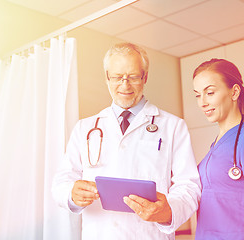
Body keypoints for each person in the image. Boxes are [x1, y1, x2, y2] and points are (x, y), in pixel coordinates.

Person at [52, 42, 201, 240]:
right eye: (117, 77)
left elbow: (189, 185)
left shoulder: (173, 126)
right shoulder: (84, 128)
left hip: (148, 234)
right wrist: (71, 194)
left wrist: (168, 210)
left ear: (145, 77)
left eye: (133, 77)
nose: (124, 85)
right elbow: (62, 181)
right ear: (107, 77)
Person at [192, 58, 244, 240]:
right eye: (198, 95)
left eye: (210, 93)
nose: (202, 103)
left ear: (234, 92)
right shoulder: (216, 144)